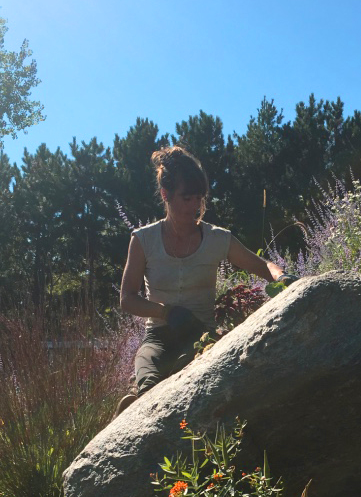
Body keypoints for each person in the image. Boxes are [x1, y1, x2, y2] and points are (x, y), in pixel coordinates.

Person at [117, 145, 290, 415]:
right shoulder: (142, 240)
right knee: (148, 372)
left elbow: (263, 266)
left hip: (201, 335)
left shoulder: (217, 238)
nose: (195, 206)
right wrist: (167, 312)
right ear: (166, 195)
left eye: (199, 197)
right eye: (186, 198)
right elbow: (127, 299)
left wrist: (283, 276)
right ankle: (135, 407)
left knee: (186, 371)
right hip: (158, 336)